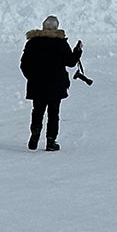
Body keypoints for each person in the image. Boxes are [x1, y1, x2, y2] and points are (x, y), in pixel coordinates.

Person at [21, 15, 83, 151]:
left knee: (37, 110)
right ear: (57, 27)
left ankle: (35, 134)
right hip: (56, 85)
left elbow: (24, 64)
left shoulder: (32, 42)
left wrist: (31, 77)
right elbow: (71, 62)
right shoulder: (60, 43)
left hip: (37, 84)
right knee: (53, 113)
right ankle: (50, 141)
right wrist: (78, 51)